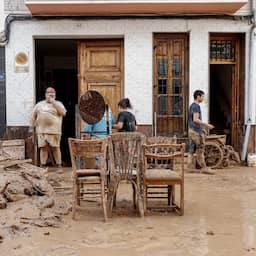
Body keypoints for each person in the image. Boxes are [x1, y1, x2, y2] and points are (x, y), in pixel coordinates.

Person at [31, 87, 66, 168]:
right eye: (50, 95)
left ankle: (59, 165)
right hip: (41, 131)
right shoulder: (39, 104)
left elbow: (63, 113)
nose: (51, 97)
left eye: (53, 96)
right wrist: (32, 127)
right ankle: (43, 165)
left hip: (54, 131)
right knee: (43, 148)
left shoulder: (59, 103)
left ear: (55, 96)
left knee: (55, 148)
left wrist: (54, 102)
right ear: (46, 95)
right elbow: (33, 116)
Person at [187, 90, 216, 175]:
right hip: (196, 131)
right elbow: (195, 120)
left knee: (191, 150)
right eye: (202, 96)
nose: (203, 98)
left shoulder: (192, 105)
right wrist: (207, 125)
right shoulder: (196, 106)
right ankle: (204, 168)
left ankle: (190, 167)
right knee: (200, 149)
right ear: (198, 96)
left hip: (191, 130)